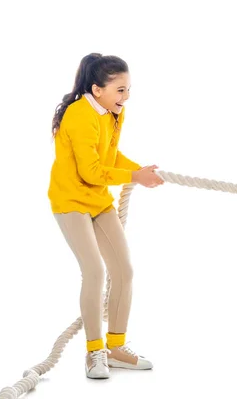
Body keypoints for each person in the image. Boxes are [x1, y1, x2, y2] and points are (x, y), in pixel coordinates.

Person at [48, 53, 164, 379]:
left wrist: (138, 170)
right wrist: (134, 178)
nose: (126, 97)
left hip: (98, 200)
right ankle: (94, 351)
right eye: (121, 90)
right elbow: (90, 170)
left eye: (128, 90)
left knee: (123, 271)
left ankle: (115, 347)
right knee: (95, 271)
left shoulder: (114, 113)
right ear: (98, 89)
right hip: (70, 201)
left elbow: (110, 157)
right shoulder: (78, 115)